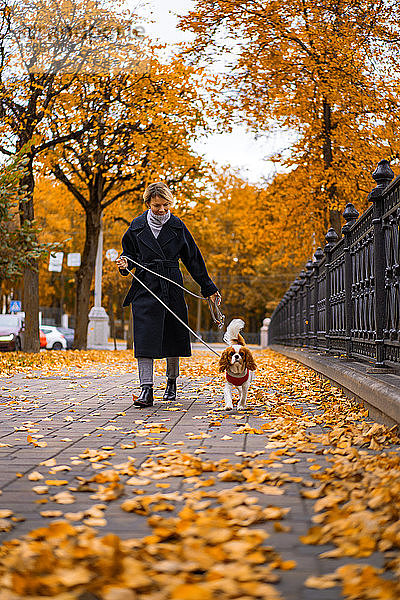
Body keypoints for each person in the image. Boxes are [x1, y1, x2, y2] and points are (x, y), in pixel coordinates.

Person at [116, 181, 219, 408]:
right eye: (156, 206)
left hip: (171, 284)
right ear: (147, 204)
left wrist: (208, 288)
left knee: (173, 335)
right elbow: (128, 254)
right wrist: (124, 264)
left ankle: (171, 382)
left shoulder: (177, 226)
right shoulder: (136, 226)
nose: (162, 210)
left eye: (165, 205)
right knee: (144, 336)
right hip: (145, 286)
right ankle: (146, 389)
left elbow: (193, 259)